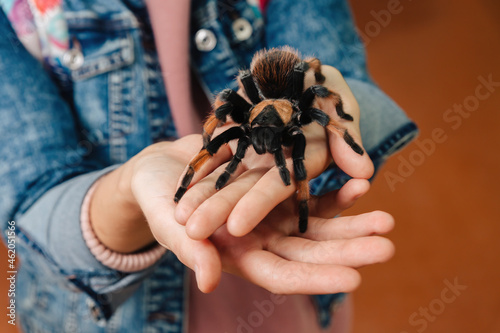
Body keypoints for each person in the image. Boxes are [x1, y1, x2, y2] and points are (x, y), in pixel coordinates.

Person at [0, 0, 418, 332]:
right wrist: (130, 189)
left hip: (291, 301)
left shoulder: (303, 109)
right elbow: (26, 211)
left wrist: (340, 121)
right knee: (232, 146)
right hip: (105, 315)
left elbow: (328, 90)